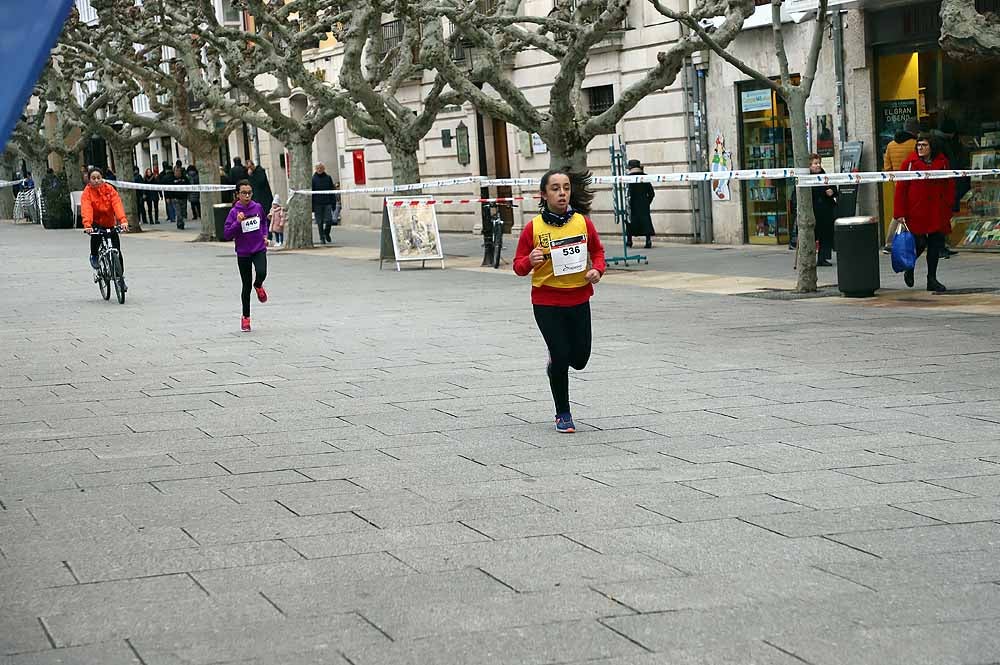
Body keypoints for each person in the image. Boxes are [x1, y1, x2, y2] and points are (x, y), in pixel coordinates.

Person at [513, 169, 606, 434]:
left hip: (578, 297)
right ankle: (563, 413)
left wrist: (597, 270)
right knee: (562, 354)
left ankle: (554, 365)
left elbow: (597, 251)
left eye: (565, 187)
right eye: (555, 188)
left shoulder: (582, 223)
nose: (562, 192)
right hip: (547, 301)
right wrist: (529, 261)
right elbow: (518, 266)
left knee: (580, 359)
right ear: (544, 194)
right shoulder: (533, 228)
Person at [894, 133, 954, 293]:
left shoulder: (942, 162)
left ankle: (932, 279)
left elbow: (949, 183)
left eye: (924, 145)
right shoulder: (910, 163)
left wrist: (948, 205)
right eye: (918, 145)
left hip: (936, 209)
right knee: (918, 243)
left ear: (931, 147)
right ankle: (910, 267)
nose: (920, 148)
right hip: (916, 210)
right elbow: (901, 188)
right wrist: (899, 212)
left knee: (935, 244)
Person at [223, 180, 269, 332]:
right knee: (246, 285)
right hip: (243, 252)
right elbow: (227, 234)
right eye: (244, 193)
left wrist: (264, 235)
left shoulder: (258, 207)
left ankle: (259, 284)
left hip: (259, 248)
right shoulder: (234, 212)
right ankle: (246, 318)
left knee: (262, 272)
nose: (247, 196)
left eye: (249, 192)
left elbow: (263, 223)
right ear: (238, 194)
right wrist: (237, 222)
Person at [81, 167, 128, 290]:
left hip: (109, 223)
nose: (96, 180)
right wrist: (88, 225)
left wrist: (122, 221)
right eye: (93, 178)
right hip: (95, 223)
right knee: (95, 237)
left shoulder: (109, 189)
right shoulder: (87, 193)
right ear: (89, 180)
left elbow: (116, 204)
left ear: (102, 178)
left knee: (117, 250)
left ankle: (120, 278)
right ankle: (94, 255)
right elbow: (87, 208)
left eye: (98, 178)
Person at [791, 154, 839, 267]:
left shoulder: (824, 175)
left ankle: (823, 258)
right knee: (811, 236)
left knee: (826, 235)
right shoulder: (804, 178)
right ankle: (809, 258)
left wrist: (831, 192)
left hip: (825, 211)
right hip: (812, 211)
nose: (818, 165)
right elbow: (796, 195)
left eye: (819, 163)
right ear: (809, 166)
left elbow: (834, 189)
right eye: (815, 163)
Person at [882, 118, 919, 253]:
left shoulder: (891, 145)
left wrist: (896, 180)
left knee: (899, 212)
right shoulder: (915, 144)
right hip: (914, 183)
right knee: (911, 211)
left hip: (898, 184)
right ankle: (911, 240)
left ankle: (889, 242)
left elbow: (887, 168)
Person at [625, 159, 655, 249]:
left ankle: (629, 241)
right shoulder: (645, 177)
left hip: (631, 204)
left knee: (630, 221)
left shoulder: (628, 178)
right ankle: (648, 240)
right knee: (646, 222)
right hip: (643, 205)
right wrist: (647, 202)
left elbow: (626, 192)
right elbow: (652, 193)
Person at [311, 163, 336, 244]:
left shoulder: (328, 178)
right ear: (316, 169)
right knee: (319, 221)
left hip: (327, 202)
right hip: (317, 203)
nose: (319, 169)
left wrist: (333, 203)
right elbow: (311, 193)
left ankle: (326, 233)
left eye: (321, 168)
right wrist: (312, 206)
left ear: (324, 168)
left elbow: (332, 190)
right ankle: (322, 237)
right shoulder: (313, 179)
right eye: (318, 168)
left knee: (329, 220)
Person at [167, 165, 190, 229]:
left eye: (179, 171)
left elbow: (189, 186)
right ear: (174, 171)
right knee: (178, 212)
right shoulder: (171, 179)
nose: (178, 172)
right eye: (176, 171)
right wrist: (168, 197)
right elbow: (168, 189)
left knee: (183, 212)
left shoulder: (184, 178)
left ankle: (180, 222)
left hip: (183, 198)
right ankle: (180, 224)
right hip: (175, 198)